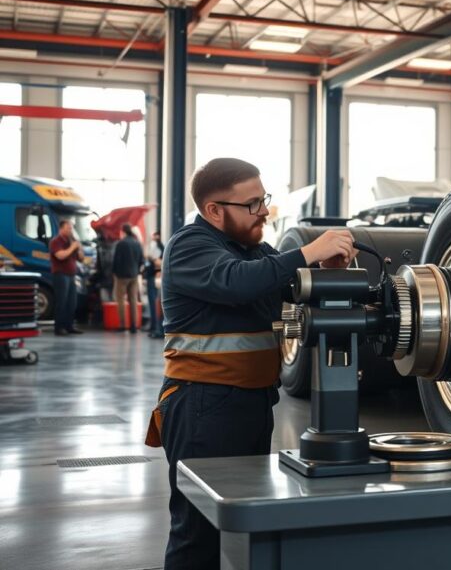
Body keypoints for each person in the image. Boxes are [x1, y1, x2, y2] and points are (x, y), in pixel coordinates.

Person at [145, 157, 357, 569]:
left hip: (252, 403)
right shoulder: (190, 246)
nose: (264, 211)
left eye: (264, 199)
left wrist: (323, 269)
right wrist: (308, 250)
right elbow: (236, 282)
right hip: (203, 406)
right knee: (197, 533)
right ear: (214, 210)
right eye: (252, 204)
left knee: (239, 523)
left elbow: (286, 284)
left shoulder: (252, 249)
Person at [49, 219, 84, 335]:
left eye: (71, 228)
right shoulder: (56, 241)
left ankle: (69, 326)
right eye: (68, 228)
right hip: (60, 274)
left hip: (71, 275)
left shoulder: (71, 241)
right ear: (61, 229)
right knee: (62, 301)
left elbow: (81, 259)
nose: (70, 230)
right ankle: (59, 327)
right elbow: (60, 256)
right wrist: (73, 247)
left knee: (72, 302)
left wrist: (79, 249)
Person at [112, 223, 144, 333]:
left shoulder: (121, 243)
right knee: (133, 300)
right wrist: (137, 271)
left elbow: (116, 260)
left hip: (121, 276)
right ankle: (133, 326)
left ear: (123, 231)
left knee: (120, 300)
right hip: (134, 275)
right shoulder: (137, 243)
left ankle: (122, 325)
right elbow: (141, 260)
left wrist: (115, 273)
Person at [145, 231, 165, 339]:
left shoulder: (158, 247)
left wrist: (151, 258)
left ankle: (157, 328)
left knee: (155, 303)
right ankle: (156, 327)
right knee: (156, 303)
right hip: (156, 277)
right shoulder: (161, 247)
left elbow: (158, 262)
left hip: (154, 278)